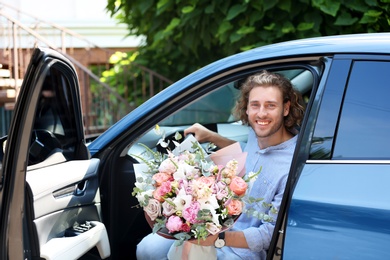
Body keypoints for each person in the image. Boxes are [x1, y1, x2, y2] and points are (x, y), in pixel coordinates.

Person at [136, 70, 305, 260]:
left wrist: (218, 238)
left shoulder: (293, 164)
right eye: (255, 105)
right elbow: (248, 154)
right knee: (147, 248)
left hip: (241, 249)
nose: (261, 113)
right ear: (247, 108)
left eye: (270, 106)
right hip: (214, 227)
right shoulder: (257, 134)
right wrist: (211, 136)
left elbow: (270, 234)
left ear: (286, 108)